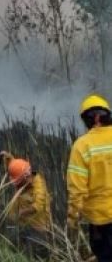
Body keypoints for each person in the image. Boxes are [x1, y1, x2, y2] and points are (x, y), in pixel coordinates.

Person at [68, 94, 112, 261]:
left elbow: (77, 189)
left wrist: (73, 217)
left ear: (93, 119)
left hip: (100, 220)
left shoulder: (82, 145)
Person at [0, 151, 50, 258]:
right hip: (20, 224)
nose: (18, 186)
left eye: (20, 183)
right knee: (11, 248)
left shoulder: (39, 187)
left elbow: (38, 206)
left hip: (36, 228)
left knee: (32, 255)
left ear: (26, 178)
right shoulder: (23, 173)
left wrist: (23, 212)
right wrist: (7, 157)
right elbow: (14, 165)